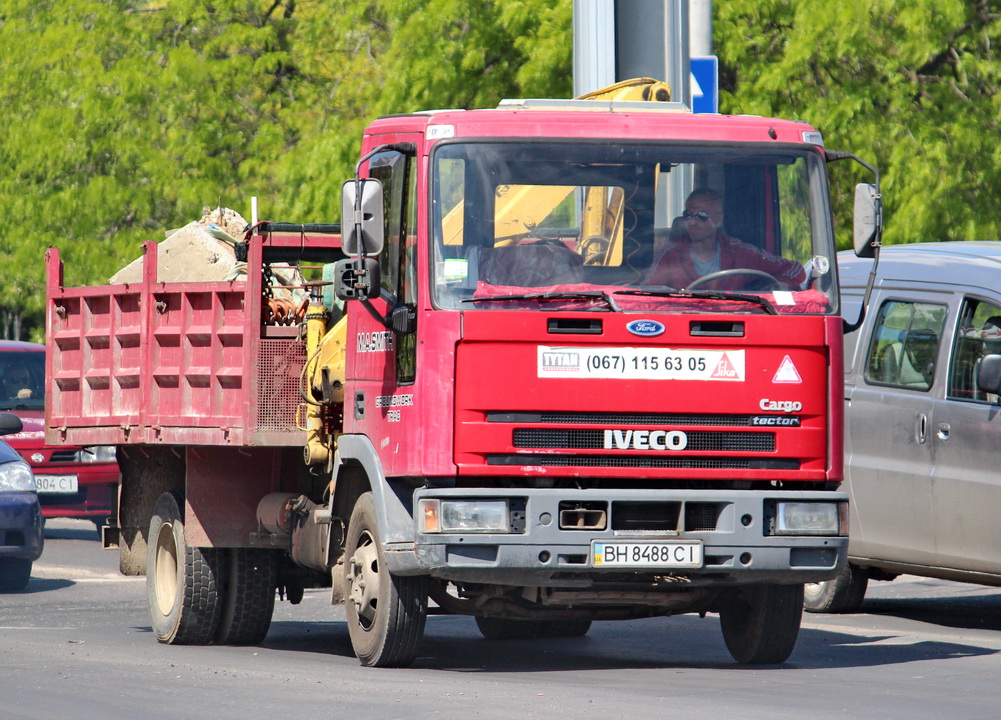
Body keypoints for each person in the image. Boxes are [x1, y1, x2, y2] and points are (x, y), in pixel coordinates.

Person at [646, 188, 807, 291]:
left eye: (701, 216)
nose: (692, 222)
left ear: (718, 219)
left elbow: (795, 270)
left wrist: (780, 286)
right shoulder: (670, 253)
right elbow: (647, 292)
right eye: (688, 215)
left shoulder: (740, 252)